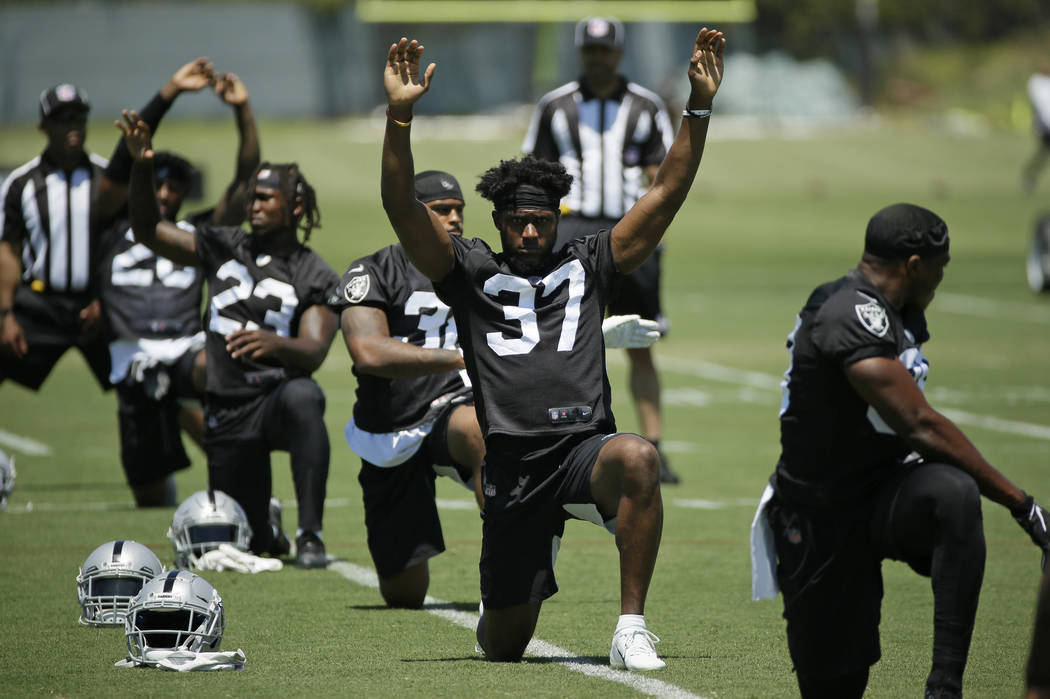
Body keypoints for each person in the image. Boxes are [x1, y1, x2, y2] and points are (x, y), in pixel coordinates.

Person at [380, 28, 724, 668]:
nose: (532, 230)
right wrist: (400, 116)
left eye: (542, 219)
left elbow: (664, 194)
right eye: (518, 221)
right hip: (512, 467)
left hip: (581, 453)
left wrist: (697, 109)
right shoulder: (470, 271)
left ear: (560, 217)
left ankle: (629, 627)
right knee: (503, 647)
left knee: (639, 457)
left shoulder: (590, 261)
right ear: (499, 223)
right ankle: (512, 581)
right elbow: (402, 208)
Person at [753, 203, 1050, 698]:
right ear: (914, 265)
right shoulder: (851, 310)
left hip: (881, 493)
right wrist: (1023, 504)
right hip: (819, 511)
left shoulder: (897, 311)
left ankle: (944, 687)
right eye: (940, 266)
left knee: (952, 495)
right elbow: (919, 424)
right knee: (835, 687)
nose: (941, 278)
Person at [118, 111, 339, 569]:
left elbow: (314, 351)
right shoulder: (223, 244)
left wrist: (275, 344)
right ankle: (271, 527)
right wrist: (140, 164)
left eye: (264, 198)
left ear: (294, 208)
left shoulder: (314, 272)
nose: (253, 205)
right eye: (251, 198)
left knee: (305, 396)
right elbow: (147, 231)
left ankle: (312, 534)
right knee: (249, 543)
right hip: (225, 404)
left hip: (274, 397)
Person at [523, 16, 680, 484]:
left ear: (619, 52)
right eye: (590, 51)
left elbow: (664, 175)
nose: (598, 59)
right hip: (573, 228)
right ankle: (561, 437)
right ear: (580, 53)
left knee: (641, 343)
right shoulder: (555, 106)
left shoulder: (646, 106)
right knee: (565, 339)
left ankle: (656, 445)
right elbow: (534, 172)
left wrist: (658, 232)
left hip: (631, 229)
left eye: (605, 50)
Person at [0, 59, 215, 393]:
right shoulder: (21, 184)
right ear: (43, 126)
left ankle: (209, 442)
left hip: (99, 307)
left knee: (160, 385)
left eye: (79, 117)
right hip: (39, 305)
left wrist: (108, 300)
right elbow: (8, 253)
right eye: (62, 119)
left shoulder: (106, 179)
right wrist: (5, 313)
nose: (73, 125)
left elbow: (126, 241)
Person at [98, 71, 260, 507]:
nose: (165, 194)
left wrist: (242, 110)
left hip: (188, 350)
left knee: (221, 363)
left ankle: (243, 474)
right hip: (132, 357)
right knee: (149, 491)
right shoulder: (110, 228)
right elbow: (115, 176)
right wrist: (165, 98)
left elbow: (245, 183)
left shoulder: (197, 233)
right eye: (158, 183)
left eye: (175, 187)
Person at [330, 170, 484, 608]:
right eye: (440, 211)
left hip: (455, 407)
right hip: (391, 426)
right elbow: (369, 353)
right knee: (403, 592)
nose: (454, 219)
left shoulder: (477, 265)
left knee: (484, 431)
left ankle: (508, 563)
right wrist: (457, 357)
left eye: (458, 211)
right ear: (410, 216)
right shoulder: (373, 271)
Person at [1023, 59, 1050, 194]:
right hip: (1045, 126)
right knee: (1043, 154)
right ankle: (1029, 176)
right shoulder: (1036, 83)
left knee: (1043, 154)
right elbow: (1041, 105)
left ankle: (1029, 177)